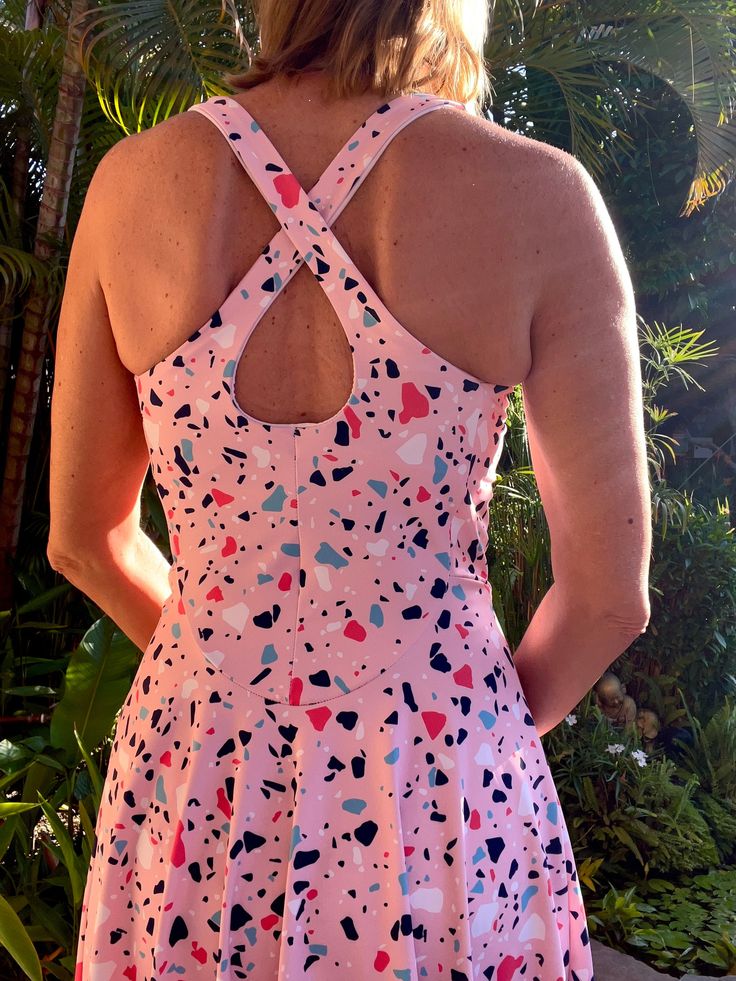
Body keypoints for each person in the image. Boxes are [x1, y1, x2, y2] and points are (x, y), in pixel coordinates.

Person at [48, 0, 651, 977]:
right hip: (438, 778)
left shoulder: (130, 187)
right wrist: (455, 727)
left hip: (202, 768)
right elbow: (608, 597)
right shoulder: (540, 199)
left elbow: (83, 536)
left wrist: (234, 669)